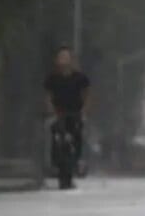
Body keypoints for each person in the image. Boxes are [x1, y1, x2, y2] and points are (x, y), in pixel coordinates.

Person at [44, 46, 90, 188]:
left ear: (71, 60)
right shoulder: (52, 78)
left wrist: (84, 112)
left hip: (75, 114)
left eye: (65, 57)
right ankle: (53, 165)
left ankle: (77, 163)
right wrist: (51, 110)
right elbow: (47, 96)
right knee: (55, 139)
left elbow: (87, 95)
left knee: (77, 140)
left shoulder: (80, 78)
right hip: (58, 115)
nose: (63, 60)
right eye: (60, 57)